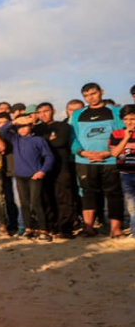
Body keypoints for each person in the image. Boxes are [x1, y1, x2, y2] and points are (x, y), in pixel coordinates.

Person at [70, 83, 125, 238]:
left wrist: (108, 153)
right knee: (87, 194)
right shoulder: (77, 114)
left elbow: (123, 135)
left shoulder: (115, 112)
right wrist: (82, 152)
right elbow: (73, 137)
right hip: (85, 161)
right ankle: (89, 228)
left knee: (114, 194)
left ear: (102, 92)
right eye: (86, 96)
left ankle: (116, 229)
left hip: (110, 160)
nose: (91, 98)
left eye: (93, 93)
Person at [1, 110, 55, 241]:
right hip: (20, 176)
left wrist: (42, 171)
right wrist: (15, 121)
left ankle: (43, 230)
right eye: (19, 127)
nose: (22, 129)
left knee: (36, 203)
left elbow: (49, 157)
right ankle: (28, 229)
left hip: (34, 176)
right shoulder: (15, 139)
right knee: (24, 204)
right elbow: (2, 130)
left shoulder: (38, 140)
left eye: (25, 126)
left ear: (31, 126)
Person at [34, 102, 77, 238]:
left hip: (61, 167)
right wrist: (49, 139)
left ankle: (66, 228)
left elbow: (61, 142)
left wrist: (42, 141)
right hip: (42, 167)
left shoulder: (64, 126)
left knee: (64, 197)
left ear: (53, 111)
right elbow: (33, 144)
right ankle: (51, 226)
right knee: (46, 198)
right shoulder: (35, 129)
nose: (43, 114)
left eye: (46, 111)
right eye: (40, 112)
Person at [109, 104, 135, 239]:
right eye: (126, 119)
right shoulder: (116, 134)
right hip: (125, 174)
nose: (129, 122)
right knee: (131, 207)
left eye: (132, 119)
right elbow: (114, 153)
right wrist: (126, 138)